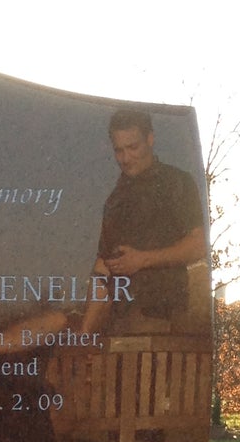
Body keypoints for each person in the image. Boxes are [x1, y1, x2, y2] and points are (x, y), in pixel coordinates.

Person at [84, 108, 206, 331]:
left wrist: (142, 260)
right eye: (119, 151)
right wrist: (85, 334)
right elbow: (103, 267)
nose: (126, 158)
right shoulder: (114, 199)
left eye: (133, 147)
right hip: (116, 323)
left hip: (166, 321)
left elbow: (199, 246)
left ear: (150, 139)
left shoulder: (176, 183)